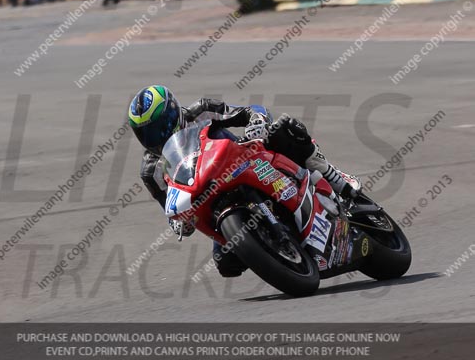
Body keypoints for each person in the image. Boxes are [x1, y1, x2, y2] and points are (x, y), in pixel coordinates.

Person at [128, 86, 361, 278]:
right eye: (146, 134)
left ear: (173, 113)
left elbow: (249, 112)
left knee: (286, 130)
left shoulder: (201, 111)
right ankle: (275, 250)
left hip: (246, 159)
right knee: (225, 263)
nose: (155, 138)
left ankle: (336, 178)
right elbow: (170, 207)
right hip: (212, 196)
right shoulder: (151, 171)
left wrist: (256, 123)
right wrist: (181, 222)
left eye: (159, 128)